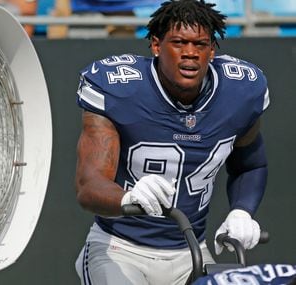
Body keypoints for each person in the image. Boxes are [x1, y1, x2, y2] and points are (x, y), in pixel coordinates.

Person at [74, 0, 270, 284]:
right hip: (120, 248)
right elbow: (88, 184)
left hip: (192, 250)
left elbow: (251, 165)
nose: (190, 54)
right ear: (156, 45)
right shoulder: (120, 89)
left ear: (212, 50)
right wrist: (127, 197)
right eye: (178, 42)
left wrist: (241, 211)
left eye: (200, 44)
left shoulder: (241, 91)